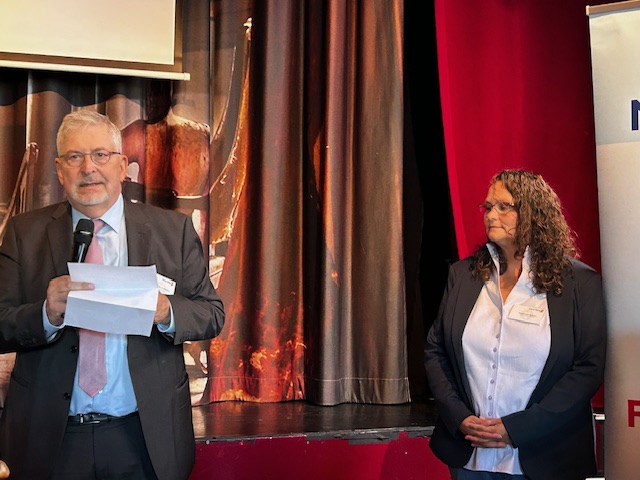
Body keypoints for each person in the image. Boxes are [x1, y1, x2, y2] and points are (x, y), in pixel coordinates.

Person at [0, 109, 225, 479]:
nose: (88, 167)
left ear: (122, 166)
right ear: (59, 170)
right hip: (50, 439)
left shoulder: (173, 230)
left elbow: (211, 313)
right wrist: (44, 314)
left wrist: (164, 311)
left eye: (100, 155)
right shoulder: (24, 234)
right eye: (75, 157)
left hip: (142, 436)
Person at [424, 169, 606, 480]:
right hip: (470, 456)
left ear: (533, 213)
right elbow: (435, 350)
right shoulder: (463, 275)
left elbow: (588, 368)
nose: (491, 215)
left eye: (503, 206)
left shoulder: (578, 282)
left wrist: (517, 428)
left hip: (546, 457)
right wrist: (459, 417)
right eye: (487, 207)